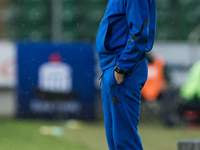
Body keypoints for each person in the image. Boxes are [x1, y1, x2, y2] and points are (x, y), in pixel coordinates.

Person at [95, 0, 157, 149]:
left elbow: (139, 32)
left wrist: (122, 68)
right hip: (112, 67)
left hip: (123, 68)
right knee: (116, 142)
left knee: (125, 142)